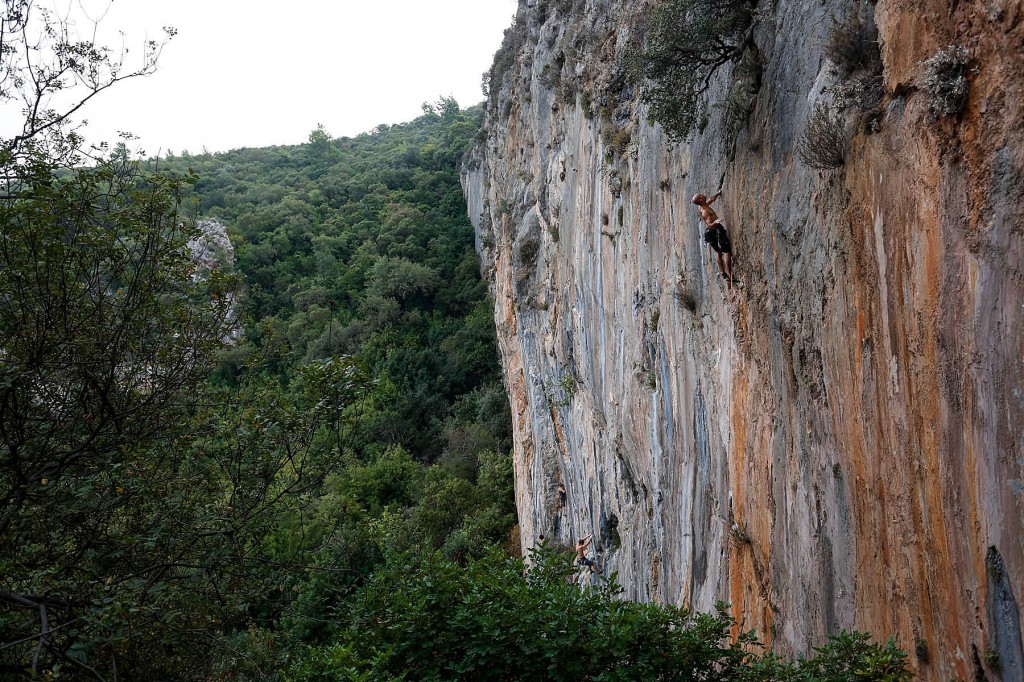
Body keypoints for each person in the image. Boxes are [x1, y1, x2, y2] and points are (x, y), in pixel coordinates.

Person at [692, 190, 735, 286]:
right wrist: (716, 222)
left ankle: (722, 272)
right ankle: (730, 276)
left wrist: (718, 193)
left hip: (711, 233)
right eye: (700, 195)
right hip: (715, 231)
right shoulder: (705, 211)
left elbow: (711, 199)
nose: (702, 194)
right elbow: (710, 224)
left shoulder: (703, 206)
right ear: (700, 199)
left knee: (719, 252)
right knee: (726, 252)